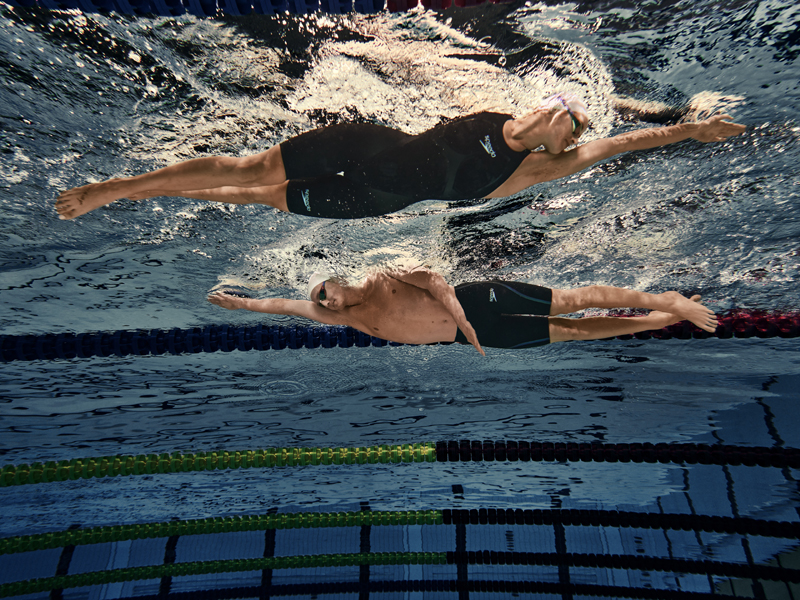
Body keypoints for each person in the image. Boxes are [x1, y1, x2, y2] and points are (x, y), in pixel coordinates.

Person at [55, 94, 746, 221]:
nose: (552, 108)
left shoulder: (544, 167)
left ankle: (151, 194)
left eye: (565, 117)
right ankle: (122, 187)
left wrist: (690, 131)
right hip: (365, 143)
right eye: (558, 101)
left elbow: (625, 142)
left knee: (247, 197)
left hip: (374, 201)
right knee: (244, 168)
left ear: (561, 143)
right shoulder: (506, 111)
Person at [207, 266, 718, 355]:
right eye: (320, 300)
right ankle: (659, 320)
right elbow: (285, 306)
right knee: (573, 333)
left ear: (338, 280)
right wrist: (240, 303)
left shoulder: (379, 277)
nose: (322, 301)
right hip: (465, 338)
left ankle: (663, 300)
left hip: (475, 304)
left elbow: (431, 277)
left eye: (324, 292)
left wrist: (464, 317)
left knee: (574, 300)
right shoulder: (345, 318)